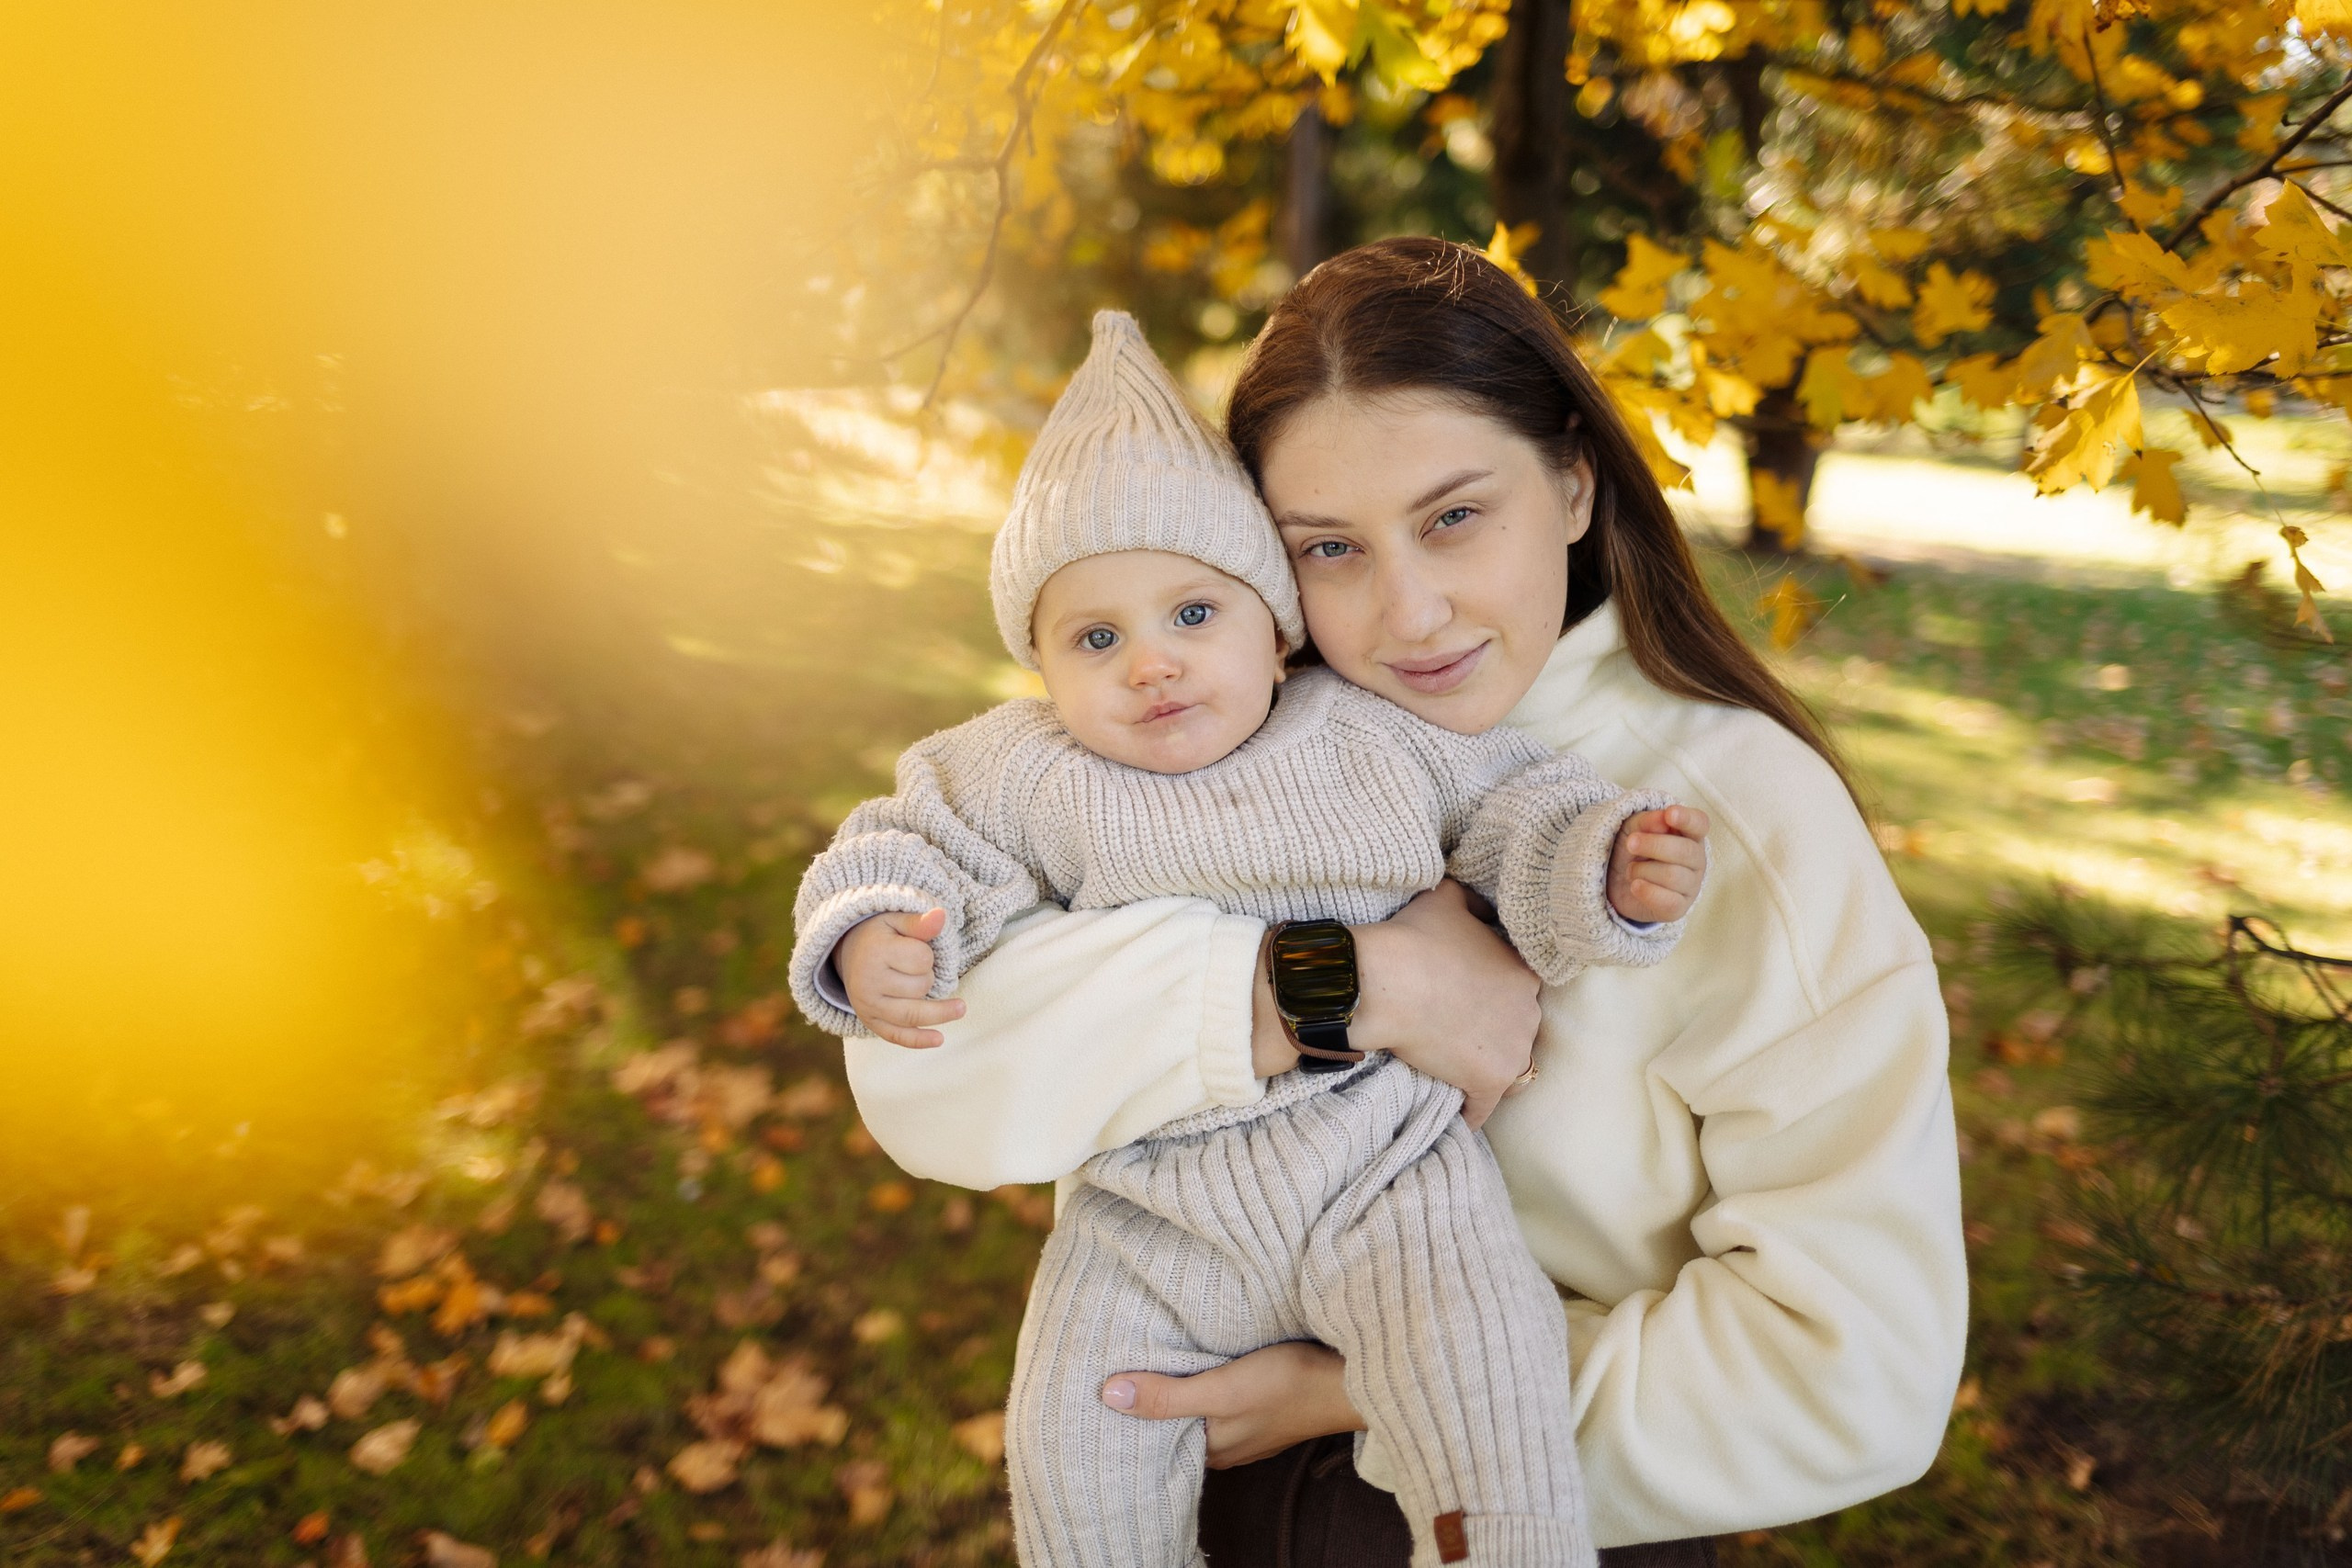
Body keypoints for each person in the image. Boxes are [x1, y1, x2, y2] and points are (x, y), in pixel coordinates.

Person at [827, 239, 1966, 1566]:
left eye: (1455, 517)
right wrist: (1359, 980)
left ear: (1575, 482)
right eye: (1330, 547)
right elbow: (923, 1075)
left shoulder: (1734, 821)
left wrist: (1363, 1393)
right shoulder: (1211, 747)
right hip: (1201, 1489)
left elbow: (1857, 1375)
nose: (1409, 613)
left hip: (1539, 1502)